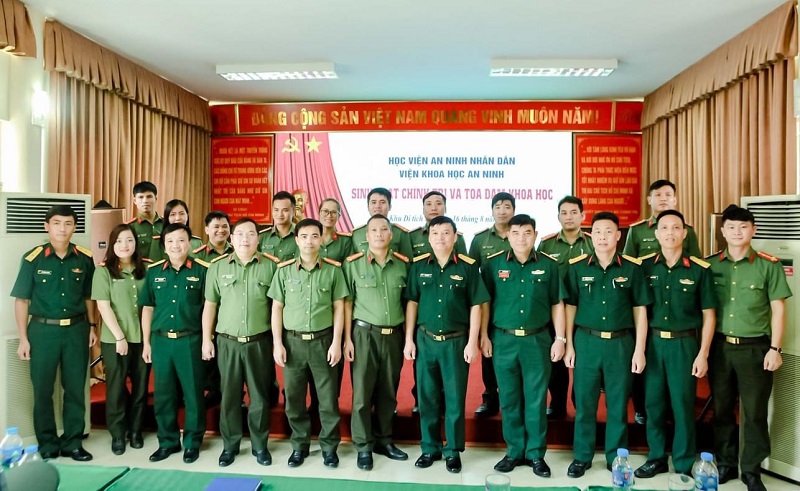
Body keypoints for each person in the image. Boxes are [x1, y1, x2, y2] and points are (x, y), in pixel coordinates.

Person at [706, 204, 792, 491]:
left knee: (754, 413)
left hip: (756, 349)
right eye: (731, 227)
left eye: (743, 227)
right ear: (722, 231)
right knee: (721, 410)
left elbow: (778, 309)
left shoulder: (769, 265)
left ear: (753, 230)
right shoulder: (711, 265)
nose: (737, 232)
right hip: (720, 348)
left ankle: (752, 470)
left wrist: (775, 349)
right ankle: (726, 464)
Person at [563, 211, 652, 478]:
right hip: (586, 341)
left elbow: (640, 310)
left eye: (608, 232)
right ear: (591, 236)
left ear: (618, 235)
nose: (602, 237)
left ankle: (616, 456)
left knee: (618, 403)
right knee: (585, 402)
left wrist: (639, 349)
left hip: (620, 344)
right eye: (598, 232)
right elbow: (570, 307)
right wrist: (568, 344)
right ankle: (582, 456)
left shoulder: (632, 268)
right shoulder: (577, 267)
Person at [481, 214, 565, 478]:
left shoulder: (549, 265)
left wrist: (560, 338)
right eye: (515, 233)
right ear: (508, 235)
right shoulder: (493, 264)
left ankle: (536, 454)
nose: (521, 238)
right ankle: (514, 451)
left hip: (537, 340)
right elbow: (485, 303)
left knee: (536, 399)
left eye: (527, 233)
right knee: (509, 398)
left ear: (535, 235)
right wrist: (483, 335)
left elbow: (557, 303)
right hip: (503, 340)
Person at [404, 216, 489, 474]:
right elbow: (412, 302)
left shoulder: (467, 267)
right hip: (426, 340)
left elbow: (476, 305)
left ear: (454, 237)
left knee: (454, 399)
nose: (440, 238)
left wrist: (472, 341)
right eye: (435, 233)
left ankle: (453, 450)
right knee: (427, 398)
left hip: (456, 342)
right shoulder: (419, 266)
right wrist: (409, 339)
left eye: (445, 233)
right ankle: (429, 448)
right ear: (429, 237)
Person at [634, 210, 716, 478]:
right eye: (664, 228)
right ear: (656, 234)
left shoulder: (700, 270)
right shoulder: (644, 267)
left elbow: (709, 315)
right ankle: (656, 457)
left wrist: (703, 353)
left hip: (684, 345)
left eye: (676, 227)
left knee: (682, 405)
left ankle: (682, 461)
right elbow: (639, 311)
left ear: (684, 233)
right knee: (653, 405)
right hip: (653, 344)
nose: (670, 233)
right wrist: (639, 349)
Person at [11, 205, 97, 461]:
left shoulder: (84, 258)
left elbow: (89, 297)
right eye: (57, 223)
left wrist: (92, 327)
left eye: (68, 223)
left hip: (76, 330)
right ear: (47, 226)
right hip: (42, 331)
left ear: (74, 227)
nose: (62, 228)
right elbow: (22, 300)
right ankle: (47, 443)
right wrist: (23, 339)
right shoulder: (33, 258)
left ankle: (73, 443)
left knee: (75, 389)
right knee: (42, 390)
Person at [268, 218, 348, 468]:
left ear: (322, 239)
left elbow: (339, 308)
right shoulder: (284, 271)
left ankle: (329, 448)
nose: (309, 241)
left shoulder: (333, 271)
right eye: (304, 236)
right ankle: (299, 446)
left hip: (323, 342)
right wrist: (277, 343)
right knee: (294, 399)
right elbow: (276, 308)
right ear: (296, 239)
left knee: (327, 400)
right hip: (292, 343)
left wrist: (337, 342)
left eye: (315, 236)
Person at [202, 218, 278, 467]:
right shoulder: (217, 267)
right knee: (229, 396)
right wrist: (206, 339)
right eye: (240, 234)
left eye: (251, 234)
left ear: (258, 238)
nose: (245, 239)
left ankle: (260, 445)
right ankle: (230, 445)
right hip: (228, 343)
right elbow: (210, 305)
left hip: (259, 342)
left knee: (259, 397)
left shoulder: (271, 267)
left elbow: (277, 308)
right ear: (232, 239)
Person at [343, 214, 410, 471]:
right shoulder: (353, 265)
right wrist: (347, 339)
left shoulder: (403, 265)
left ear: (391, 235)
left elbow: (408, 303)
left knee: (388, 392)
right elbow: (347, 304)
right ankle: (363, 445)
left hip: (393, 336)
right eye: (374, 230)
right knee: (362, 393)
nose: (379, 234)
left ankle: (384, 440)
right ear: (366, 236)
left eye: (384, 230)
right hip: (364, 335)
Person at [141, 223, 209, 464]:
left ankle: (192, 442)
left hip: (190, 340)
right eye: (170, 241)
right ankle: (167, 441)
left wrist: (207, 340)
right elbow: (147, 308)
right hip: (161, 342)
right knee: (163, 394)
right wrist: (146, 343)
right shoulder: (154, 272)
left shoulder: (202, 271)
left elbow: (209, 308)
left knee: (193, 394)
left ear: (189, 243)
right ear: (164, 245)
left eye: (181, 240)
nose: (176, 245)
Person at [91, 224, 151, 456]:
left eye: (129, 240)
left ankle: (135, 431)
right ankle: (118, 434)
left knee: (140, 388)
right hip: (114, 340)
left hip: (143, 338)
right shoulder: (103, 271)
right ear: (112, 245)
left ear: (136, 243)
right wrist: (120, 337)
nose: (124, 245)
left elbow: (150, 306)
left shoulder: (146, 268)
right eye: (119, 241)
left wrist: (147, 340)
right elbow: (103, 307)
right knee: (116, 388)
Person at [537, 195, 593, 419]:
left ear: (582, 215)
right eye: (564, 213)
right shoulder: (547, 243)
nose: (569, 217)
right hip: (556, 312)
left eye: (573, 212)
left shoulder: (592, 243)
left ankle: (580, 404)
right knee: (556, 361)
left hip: (585, 311)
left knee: (583, 361)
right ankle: (557, 402)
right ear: (558, 216)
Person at [469, 192, 515, 417]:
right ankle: (490, 398)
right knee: (488, 350)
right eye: (498, 206)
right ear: (492, 210)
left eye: (507, 206)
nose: (502, 211)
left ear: (513, 210)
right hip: (488, 304)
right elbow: (471, 273)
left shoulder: (520, 234)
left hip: (513, 304)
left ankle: (512, 398)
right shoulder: (481, 240)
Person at [351, 188, 413, 259]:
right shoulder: (357, 234)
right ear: (368, 207)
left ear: (390, 206)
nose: (377, 206)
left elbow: (407, 261)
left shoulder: (400, 233)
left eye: (382, 202)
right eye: (374, 202)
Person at [409, 191, 467, 257]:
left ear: (445, 209)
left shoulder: (456, 236)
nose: (433, 208)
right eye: (429, 204)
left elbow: (463, 262)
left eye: (438, 204)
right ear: (423, 210)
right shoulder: (412, 236)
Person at [126, 181, 164, 260]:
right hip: (140, 267)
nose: (145, 201)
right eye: (141, 197)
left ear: (155, 199)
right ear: (135, 201)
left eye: (149, 196)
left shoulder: (167, 223)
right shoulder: (129, 227)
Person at [258, 191, 299, 260]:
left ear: (294, 211)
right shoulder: (262, 237)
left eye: (285, 210)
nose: (280, 214)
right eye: (276, 210)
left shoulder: (301, 235)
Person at [318, 198, 354, 263]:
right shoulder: (309, 237)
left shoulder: (345, 240)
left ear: (339, 216)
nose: (329, 215)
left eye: (334, 212)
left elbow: (349, 265)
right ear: (319, 213)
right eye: (325, 211)